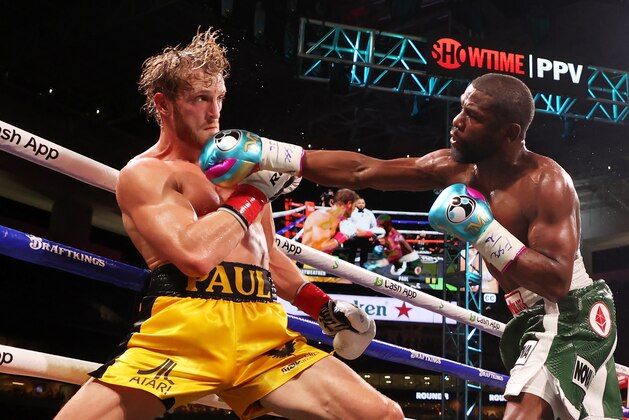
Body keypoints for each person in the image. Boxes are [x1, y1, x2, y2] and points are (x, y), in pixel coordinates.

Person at [200, 73, 623, 419]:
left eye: (472, 117)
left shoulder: (546, 183)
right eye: (461, 108)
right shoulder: (455, 168)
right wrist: (273, 154)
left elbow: (557, 281)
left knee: (521, 412)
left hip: (569, 312)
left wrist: (483, 231)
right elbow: (366, 169)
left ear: (510, 132)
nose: (457, 121)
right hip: (528, 315)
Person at [55, 28, 403, 420]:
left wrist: (321, 306)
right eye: (200, 99)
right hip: (185, 328)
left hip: (262, 329)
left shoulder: (241, 172)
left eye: (219, 97)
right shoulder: (146, 173)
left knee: (383, 414)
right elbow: (193, 255)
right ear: (163, 104)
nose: (214, 111)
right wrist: (255, 193)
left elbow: (265, 253)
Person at [301, 188, 359, 254]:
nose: (354, 209)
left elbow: (357, 231)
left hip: (320, 262)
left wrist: (372, 233)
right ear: (349, 204)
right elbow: (314, 249)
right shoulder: (323, 218)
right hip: (307, 262)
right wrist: (342, 237)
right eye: (354, 206)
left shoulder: (336, 220)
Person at [346, 197, 383, 266]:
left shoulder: (369, 213)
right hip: (354, 236)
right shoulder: (351, 212)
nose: (361, 205)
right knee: (352, 254)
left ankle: (362, 272)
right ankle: (349, 271)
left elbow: (374, 225)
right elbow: (347, 224)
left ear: (365, 204)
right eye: (359, 203)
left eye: (363, 203)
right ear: (356, 204)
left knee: (364, 254)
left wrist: (372, 234)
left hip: (365, 236)